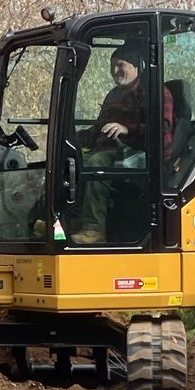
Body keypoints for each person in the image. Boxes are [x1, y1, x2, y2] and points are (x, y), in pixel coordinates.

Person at [69, 43, 173, 244]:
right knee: (71, 160)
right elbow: (99, 129)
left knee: (97, 163)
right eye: (113, 66)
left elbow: (162, 132)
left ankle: (94, 229)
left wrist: (127, 130)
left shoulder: (155, 92)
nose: (116, 70)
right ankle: (67, 220)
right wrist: (71, 138)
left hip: (144, 155)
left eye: (121, 65)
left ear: (136, 67)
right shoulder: (114, 95)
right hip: (115, 152)